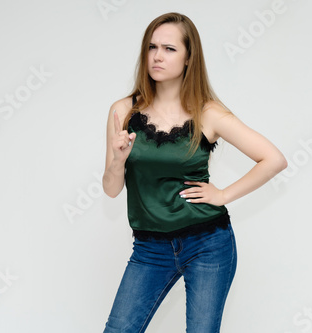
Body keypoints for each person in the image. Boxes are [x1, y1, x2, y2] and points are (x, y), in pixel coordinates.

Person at [101, 12, 287, 333]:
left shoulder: (208, 113)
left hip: (208, 243)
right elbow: (111, 190)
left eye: (170, 49)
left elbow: (273, 159)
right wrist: (118, 161)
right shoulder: (123, 111)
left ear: (189, 58)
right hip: (149, 248)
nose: (158, 56)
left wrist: (223, 195)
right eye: (152, 47)